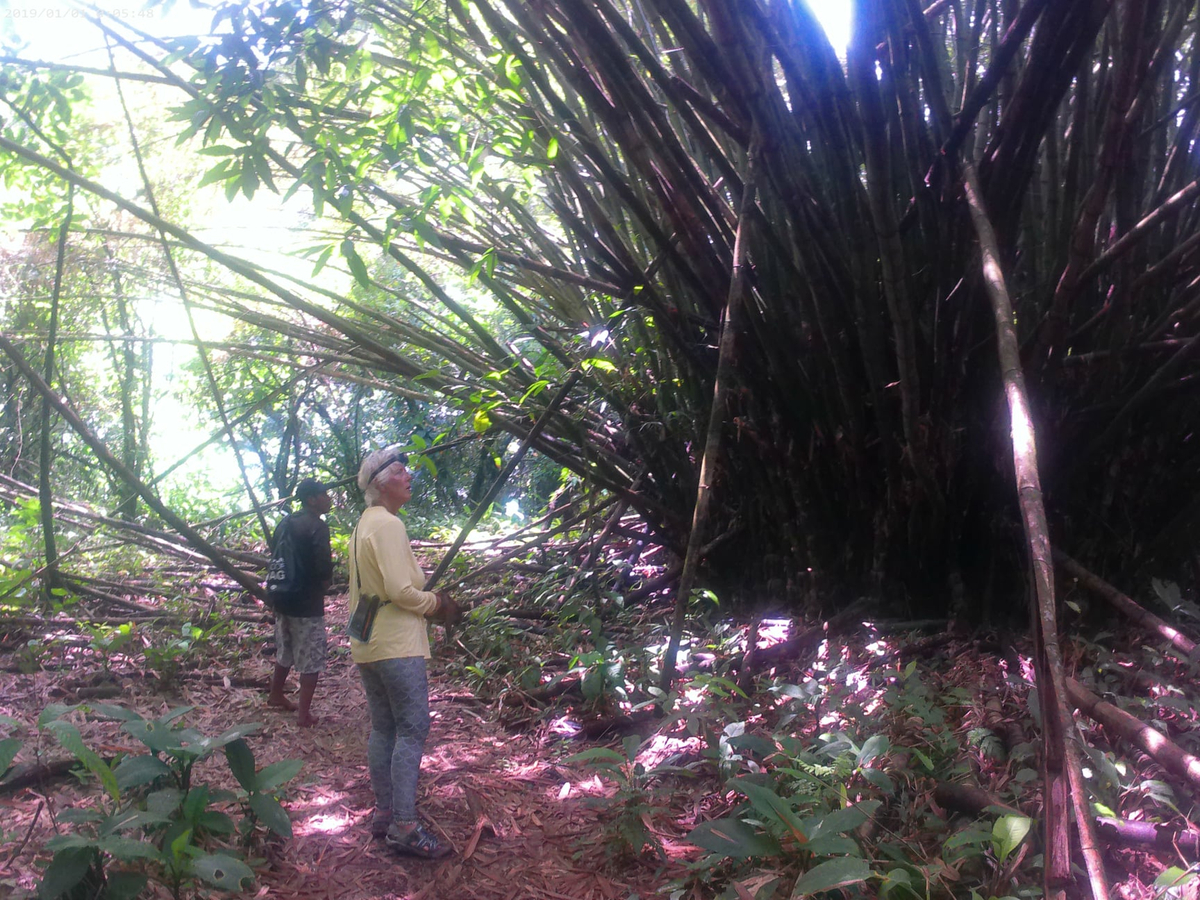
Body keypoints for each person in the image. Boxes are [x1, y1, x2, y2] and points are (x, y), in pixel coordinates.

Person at [349, 445, 462, 859]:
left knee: (384, 728)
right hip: (397, 645)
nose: (408, 475)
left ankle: (384, 813)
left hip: (369, 643)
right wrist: (437, 605)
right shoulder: (389, 525)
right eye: (400, 470)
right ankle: (404, 826)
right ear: (382, 484)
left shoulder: (364, 523)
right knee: (412, 730)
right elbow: (400, 591)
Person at [266, 478, 333, 727]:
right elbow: (323, 565)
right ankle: (304, 714)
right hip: (306, 601)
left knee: (285, 650)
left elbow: (275, 552)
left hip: (282, 596)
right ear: (312, 499)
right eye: (323, 494)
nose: (328, 498)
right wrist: (325, 584)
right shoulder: (317, 526)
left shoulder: (286, 522)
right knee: (311, 658)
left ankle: (275, 693)